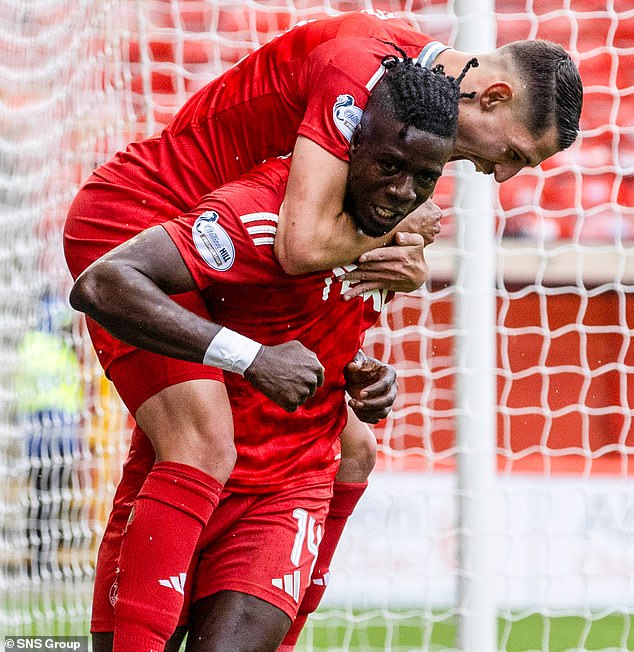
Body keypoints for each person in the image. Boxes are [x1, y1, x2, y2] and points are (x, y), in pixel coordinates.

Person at [63, 8, 582, 649]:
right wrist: (404, 233)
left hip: (221, 259)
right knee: (202, 443)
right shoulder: (359, 70)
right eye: (511, 155)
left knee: (349, 447)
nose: (500, 175)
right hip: (140, 224)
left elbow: (321, 254)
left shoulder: (408, 103)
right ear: (494, 95)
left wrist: (369, 317)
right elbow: (301, 243)